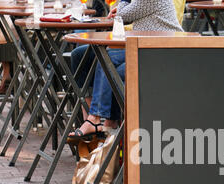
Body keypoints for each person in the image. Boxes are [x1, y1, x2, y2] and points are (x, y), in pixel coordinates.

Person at [68, 0, 184, 141]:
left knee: (107, 60)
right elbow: (123, 14)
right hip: (136, 44)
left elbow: (123, 16)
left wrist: (123, 3)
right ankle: (91, 119)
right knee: (80, 56)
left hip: (159, 49)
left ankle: (99, 118)